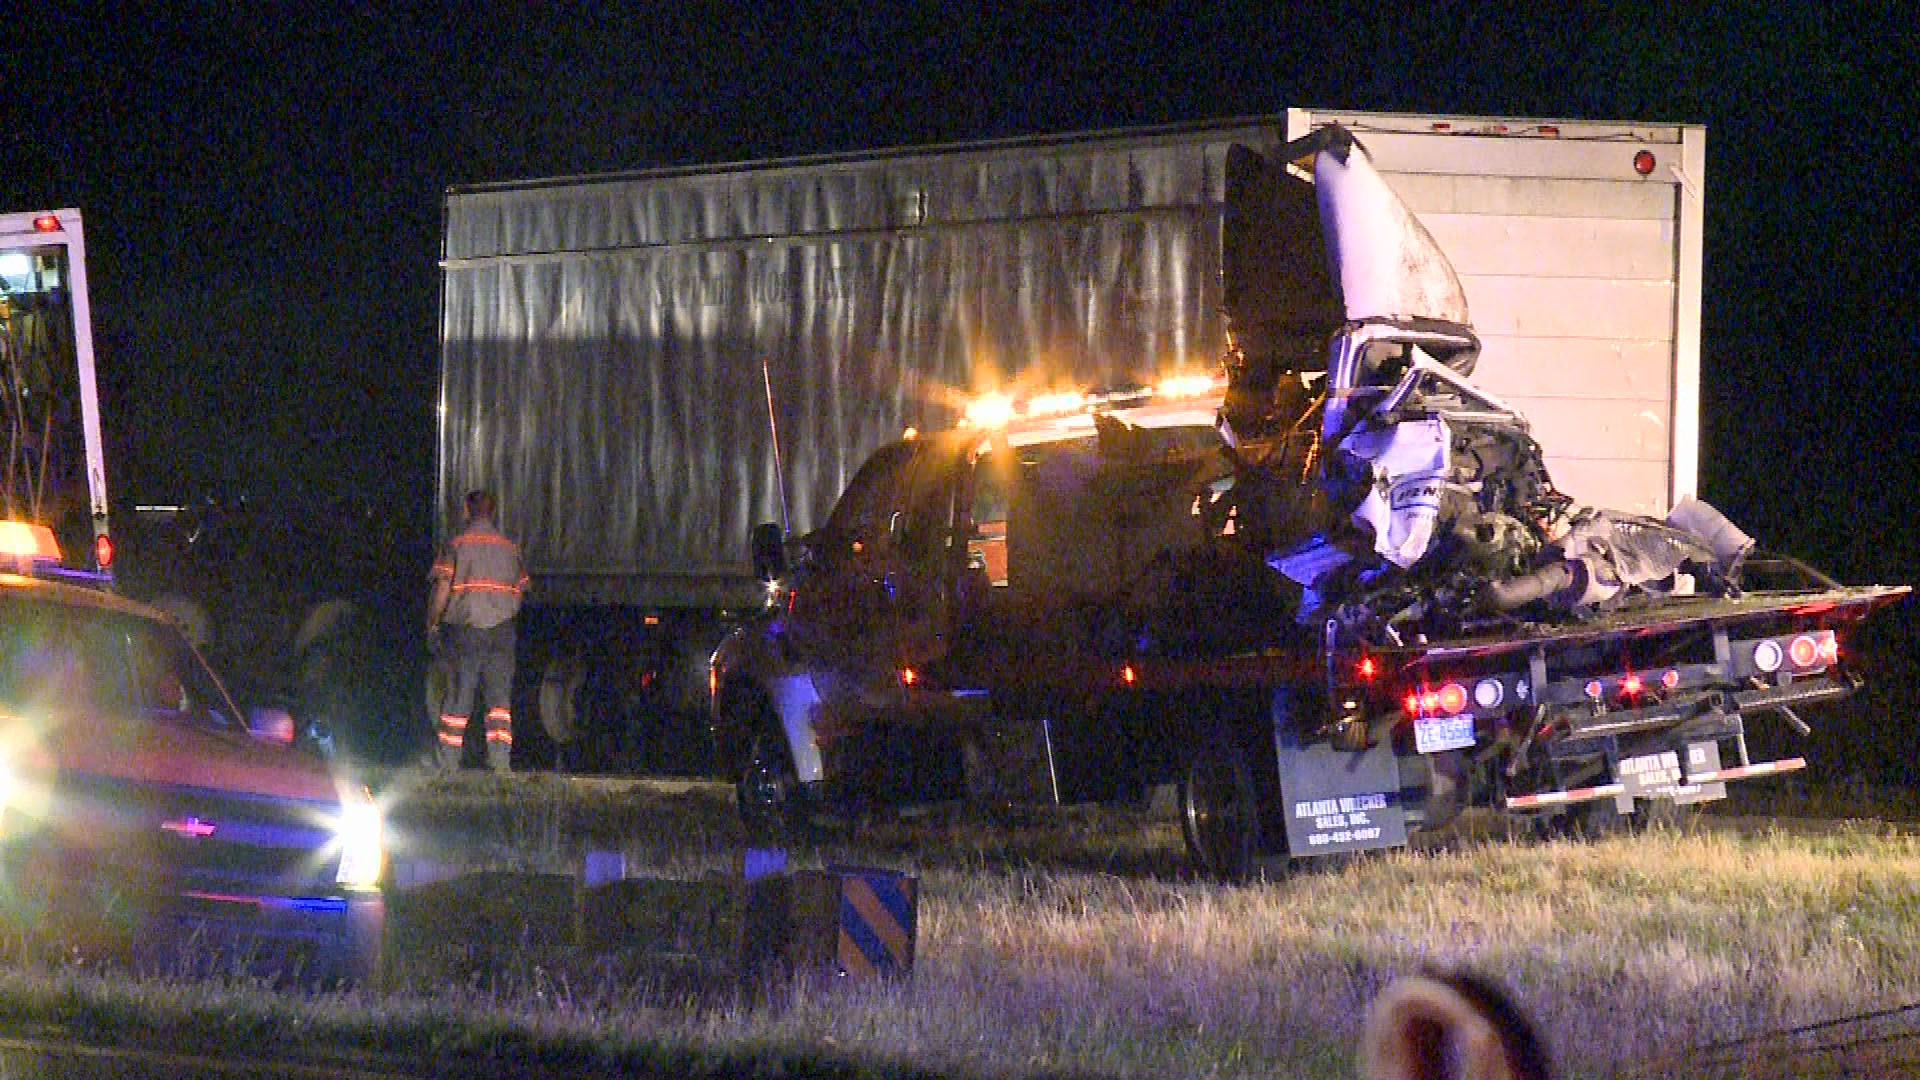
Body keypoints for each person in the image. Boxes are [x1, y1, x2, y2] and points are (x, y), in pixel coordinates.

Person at [426, 489, 528, 772]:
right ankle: (500, 764)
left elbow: (442, 588)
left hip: (465, 631)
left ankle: (447, 764)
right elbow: (520, 591)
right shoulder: (509, 547)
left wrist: (433, 623)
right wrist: (502, 612)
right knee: (499, 702)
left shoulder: (456, 544)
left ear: (467, 510)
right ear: (492, 512)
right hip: (502, 632)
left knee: (459, 697)